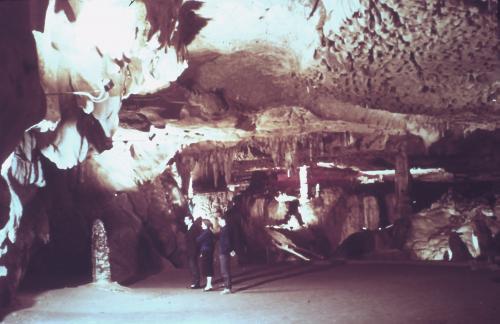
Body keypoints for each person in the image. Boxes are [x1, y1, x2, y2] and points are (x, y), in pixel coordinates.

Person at [218, 216, 236, 294]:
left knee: (225, 270)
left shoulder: (225, 230)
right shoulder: (224, 229)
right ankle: (227, 285)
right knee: (225, 270)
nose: (218, 222)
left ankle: (227, 287)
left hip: (224, 252)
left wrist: (231, 250)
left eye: (219, 220)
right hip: (224, 251)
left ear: (223, 221)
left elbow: (227, 241)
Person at [196, 219, 215, 291]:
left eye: (202, 224)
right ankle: (209, 284)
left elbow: (198, 239)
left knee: (208, 268)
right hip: (207, 251)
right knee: (207, 268)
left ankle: (209, 285)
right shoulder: (207, 232)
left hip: (207, 251)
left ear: (206, 225)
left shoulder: (207, 232)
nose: (201, 225)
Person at [184, 215, 201, 289]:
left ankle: (196, 283)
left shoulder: (194, 228)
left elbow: (197, 240)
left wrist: (198, 250)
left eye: (186, 219)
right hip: (190, 250)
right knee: (192, 266)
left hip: (193, 250)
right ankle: (194, 281)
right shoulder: (188, 228)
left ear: (190, 220)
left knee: (194, 266)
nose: (184, 221)